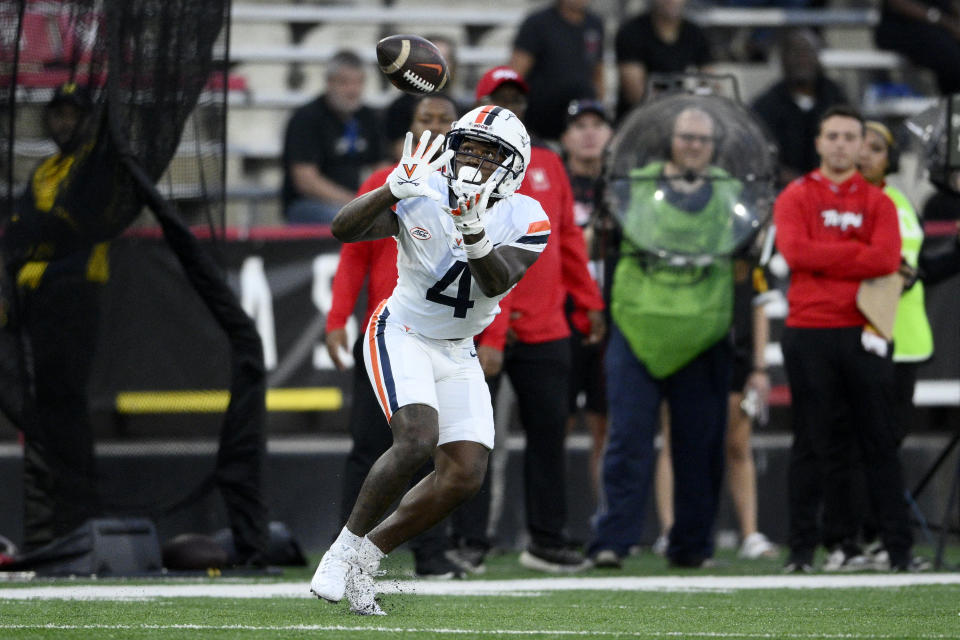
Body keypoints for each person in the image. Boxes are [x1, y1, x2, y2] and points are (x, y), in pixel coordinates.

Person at [310, 105, 547, 615]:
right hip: (403, 331)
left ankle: (366, 561)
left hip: (458, 349)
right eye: (468, 147)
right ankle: (341, 549)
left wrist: (473, 226)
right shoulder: (424, 188)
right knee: (417, 438)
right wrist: (390, 190)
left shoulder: (527, 215)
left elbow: (498, 279)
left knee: (464, 474)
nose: (474, 161)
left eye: (490, 154)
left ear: (515, 166)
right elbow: (343, 230)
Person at [446, 67, 606, 574]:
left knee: (548, 437)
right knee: (472, 437)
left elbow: (568, 240)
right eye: (499, 98)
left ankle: (546, 539)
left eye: (516, 98)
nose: (510, 106)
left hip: (546, 326)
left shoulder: (551, 165)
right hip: (483, 323)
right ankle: (469, 540)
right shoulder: (463, 172)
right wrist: (494, 330)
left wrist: (590, 301)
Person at [589, 106, 738, 569]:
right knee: (627, 439)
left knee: (701, 444)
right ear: (670, 140)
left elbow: (746, 240)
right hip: (638, 324)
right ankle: (613, 541)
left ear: (714, 147)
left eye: (702, 139)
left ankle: (692, 545)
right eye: (686, 136)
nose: (694, 145)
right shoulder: (632, 185)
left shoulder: (732, 191)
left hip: (705, 328)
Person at [325, 95, 462, 579]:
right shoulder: (387, 182)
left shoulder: (471, 189)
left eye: (445, 120)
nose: (435, 127)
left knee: (438, 448)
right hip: (387, 335)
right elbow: (353, 256)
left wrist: (495, 336)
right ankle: (343, 549)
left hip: (442, 337)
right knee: (368, 444)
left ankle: (433, 555)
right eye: (426, 119)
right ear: (409, 126)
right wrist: (337, 317)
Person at [774, 105, 913, 573]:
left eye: (849, 137)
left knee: (878, 442)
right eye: (832, 135)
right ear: (818, 142)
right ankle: (800, 553)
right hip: (809, 331)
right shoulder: (795, 196)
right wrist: (857, 252)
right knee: (810, 443)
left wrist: (826, 258)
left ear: (860, 144)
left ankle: (898, 550)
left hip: (864, 330)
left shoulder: (880, 203)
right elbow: (795, 253)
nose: (840, 144)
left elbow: (887, 259)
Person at [848, 120, 960, 568]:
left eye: (876, 147)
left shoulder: (899, 201)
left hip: (905, 337)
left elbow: (920, 272)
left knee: (888, 439)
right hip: (864, 332)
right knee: (861, 439)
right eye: (861, 144)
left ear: (889, 158)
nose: (865, 154)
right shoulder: (845, 201)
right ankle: (854, 537)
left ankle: (876, 534)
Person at [3, 83, 106, 550]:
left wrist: (37, 236)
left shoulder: (94, 169)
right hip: (38, 299)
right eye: (58, 114)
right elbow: (26, 228)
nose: (65, 123)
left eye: (74, 115)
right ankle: (59, 515)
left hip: (74, 293)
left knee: (67, 404)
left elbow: (69, 229)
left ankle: (79, 512)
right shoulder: (45, 171)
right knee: (47, 406)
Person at [651, 257, 777, 560]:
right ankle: (670, 530)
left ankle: (749, 533)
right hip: (684, 344)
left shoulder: (746, 245)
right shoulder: (680, 243)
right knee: (673, 438)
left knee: (737, 442)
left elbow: (759, 305)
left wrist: (759, 366)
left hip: (734, 349)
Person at [559, 98, 614, 497]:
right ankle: (548, 526)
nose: (590, 132)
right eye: (580, 126)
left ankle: (605, 526)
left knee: (606, 424)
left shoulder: (624, 188)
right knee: (554, 425)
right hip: (560, 314)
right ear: (565, 138)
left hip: (613, 314)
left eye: (598, 124)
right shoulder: (549, 183)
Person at [281, 50, 384, 224]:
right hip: (308, 204)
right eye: (344, 82)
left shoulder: (368, 117)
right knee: (348, 221)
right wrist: (356, 203)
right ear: (329, 82)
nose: (353, 90)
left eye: (359, 82)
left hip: (355, 201)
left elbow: (382, 168)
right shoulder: (307, 118)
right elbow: (306, 181)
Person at [751, 29, 849, 188]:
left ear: (817, 58)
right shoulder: (766, 105)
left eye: (807, 52)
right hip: (783, 190)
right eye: (795, 53)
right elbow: (758, 156)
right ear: (783, 60)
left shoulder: (836, 99)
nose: (802, 59)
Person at [509, 0, 605, 142]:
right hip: (541, 120)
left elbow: (597, 72)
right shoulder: (537, 23)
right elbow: (515, 76)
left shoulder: (595, 24)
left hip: (580, 121)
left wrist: (598, 105)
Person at [614, 0, 713, 122]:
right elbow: (635, 93)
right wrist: (680, 106)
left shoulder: (695, 33)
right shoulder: (631, 32)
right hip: (636, 122)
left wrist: (700, 101)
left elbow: (710, 80)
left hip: (679, 119)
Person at [874, 0, 960, 95]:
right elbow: (897, 3)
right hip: (904, 27)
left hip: (940, 28)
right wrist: (945, 21)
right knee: (950, 58)